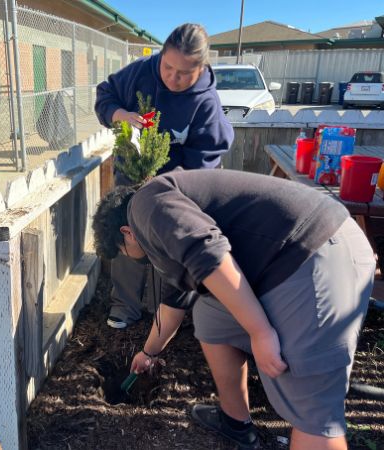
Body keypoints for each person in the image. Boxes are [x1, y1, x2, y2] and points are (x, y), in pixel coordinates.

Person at [92, 168, 374, 450]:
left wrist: (260, 332)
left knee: (314, 413)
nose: (130, 259)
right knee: (211, 316)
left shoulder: (147, 204)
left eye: (124, 253)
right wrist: (148, 353)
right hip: (281, 261)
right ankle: (235, 421)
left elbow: (209, 254)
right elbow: (173, 304)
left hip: (318, 251)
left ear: (127, 233)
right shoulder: (162, 219)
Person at [94, 23, 233, 329]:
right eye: (168, 66)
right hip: (131, 173)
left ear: (201, 67)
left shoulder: (205, 104)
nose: (173, 77)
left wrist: (169, 187)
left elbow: (207, 157)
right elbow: (105, 94)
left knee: (168, 243)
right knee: (127, 233)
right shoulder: (140, 72)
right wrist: (119, 115)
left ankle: (164, 311)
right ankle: (125, 304)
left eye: (184, 72)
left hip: (177, 187)